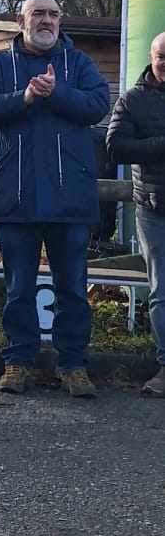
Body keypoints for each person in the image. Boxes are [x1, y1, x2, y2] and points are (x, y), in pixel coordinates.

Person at [0, 0, 109, 397]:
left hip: (71, 199)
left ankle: (74, 366)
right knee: (18, 290)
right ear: (20, 20)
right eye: (38, 14)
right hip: (15, 197)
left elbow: (98, 104)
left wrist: (56, 92)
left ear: (60, 22)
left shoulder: (78, 64)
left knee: (73, 289)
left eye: (53, 14)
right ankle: (17, 362)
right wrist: (25, 98)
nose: (46, 21)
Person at [106, 31, 165, 396]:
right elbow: (116, 148)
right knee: (162, 290)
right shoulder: (133, 100)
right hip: (155, 210)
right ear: (151, 56)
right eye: (162, 56)